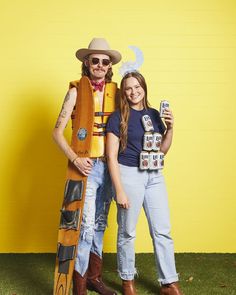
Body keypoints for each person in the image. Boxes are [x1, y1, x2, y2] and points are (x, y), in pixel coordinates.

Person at [53, 38, 121, 295]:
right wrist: (75, 158)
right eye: (96, 60)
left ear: (110, 65)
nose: (101, 65)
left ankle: (94, 277)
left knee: (101, 223)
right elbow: (57, 132)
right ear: (86, 62)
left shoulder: (116, 92)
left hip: (110, 166)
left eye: (106, 61)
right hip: (87, 167)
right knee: (86, 225)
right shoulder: (74, 91)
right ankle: (79, 284)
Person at [106, 71, 183, 295]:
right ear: (124, 92)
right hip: (129, 174)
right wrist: (119, 189)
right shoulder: (117, 117)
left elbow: (162, 151)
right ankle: (127, 280)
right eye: (128, 88)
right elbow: (111, 156)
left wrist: (169, 129)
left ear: (144, 87)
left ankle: (169, 282)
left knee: (162, 230)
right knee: (128, 231)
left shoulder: (154, 114)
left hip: (154, 175)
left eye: (137, 87)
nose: (133, 92)